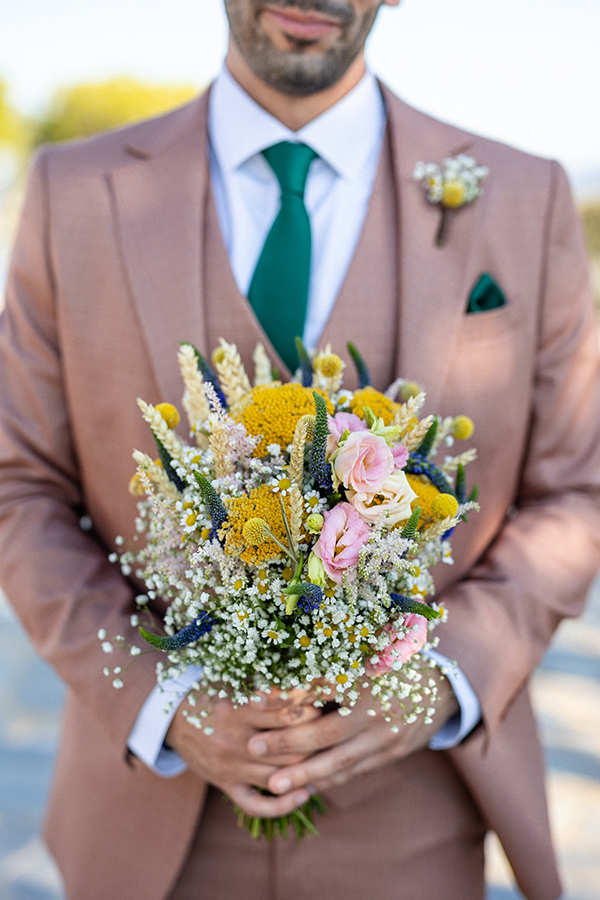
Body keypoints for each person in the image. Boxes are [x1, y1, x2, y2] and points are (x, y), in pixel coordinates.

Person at [1, 0, 599, 898]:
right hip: (149, 834)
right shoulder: (74, 191)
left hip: (420, 824)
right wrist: (163, 701)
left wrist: (441, 681)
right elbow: (19, 487)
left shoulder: (524, 195)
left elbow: (575, 493)